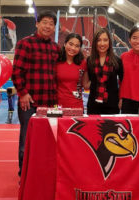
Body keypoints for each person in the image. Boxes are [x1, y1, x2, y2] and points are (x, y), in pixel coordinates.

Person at [11, 10, 59, 177]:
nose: (48, 26)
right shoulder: (26, 43)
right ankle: (23, 175)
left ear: (54, 28)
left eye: (51, 24)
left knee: (47, 141)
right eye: (44, 22)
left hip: (50, 102)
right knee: (27, 140)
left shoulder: (55, 48)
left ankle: (42, 173)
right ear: (37, 24)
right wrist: (23, 93)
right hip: (30, 102)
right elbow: (16, 71)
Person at [83, 28, 123, 114]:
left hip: (112, 105)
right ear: (95, 43)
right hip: (93, 105)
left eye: (105, 40)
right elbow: (88, 82)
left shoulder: (117, 61)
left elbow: (122, 82)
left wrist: (121, 99)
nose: (102, 43)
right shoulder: (90, 60)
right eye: (99, 40)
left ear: (109, 42)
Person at [57, 33, 85, 109]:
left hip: (77, 106)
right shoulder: (56, 61)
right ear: (65, 44)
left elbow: (86, 84)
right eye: (71, 44)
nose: (73, 48)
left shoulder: (83, 63)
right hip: (58, 106)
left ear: (79, 48)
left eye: (77, 46)